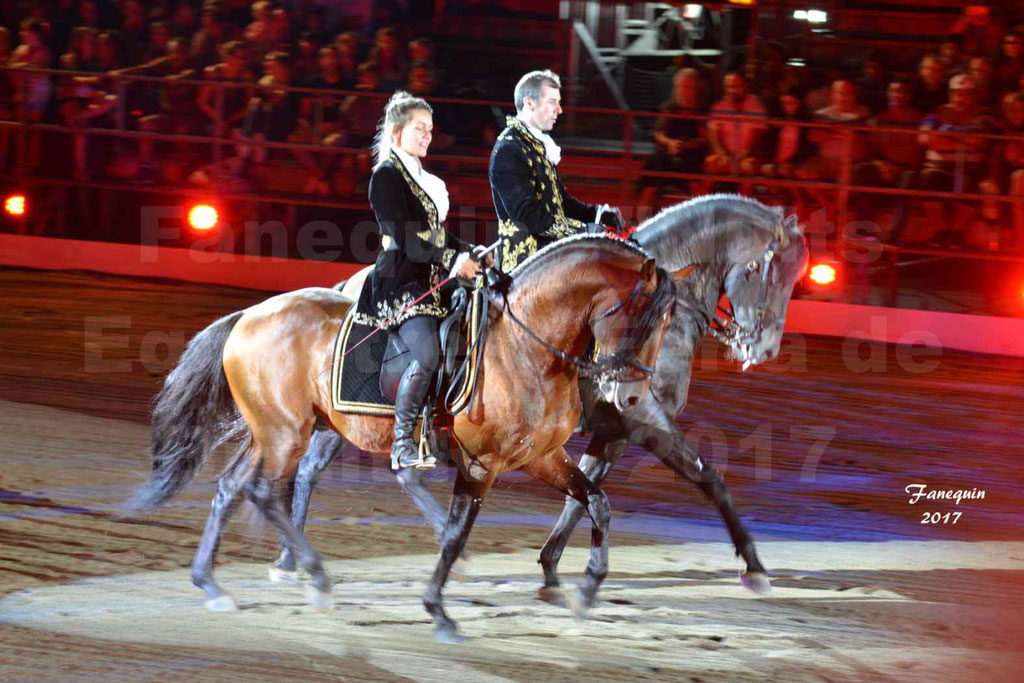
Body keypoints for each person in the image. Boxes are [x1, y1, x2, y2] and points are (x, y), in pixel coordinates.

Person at [366, 91, 488, 469]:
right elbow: (409, 238)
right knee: (428, 353)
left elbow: (435, 234)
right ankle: (402, 442)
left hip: (431, 278)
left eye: (430, 131)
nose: (427, 137)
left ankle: (441, 428)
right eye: (420, 129)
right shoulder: (386, 177)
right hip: (399, 282)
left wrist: (469, 252)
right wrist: (453, 258)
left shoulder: (422, 178)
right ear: (397, 132)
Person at [489, 69, 621, 272]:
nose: (559, 110)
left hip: (550, 256)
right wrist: (583, 231)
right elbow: (528, 216)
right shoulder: (509, 149)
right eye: (552, 102)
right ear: (529, 103)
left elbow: (562, 202)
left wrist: (597, 215)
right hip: (526, 267)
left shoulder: (537, 145)